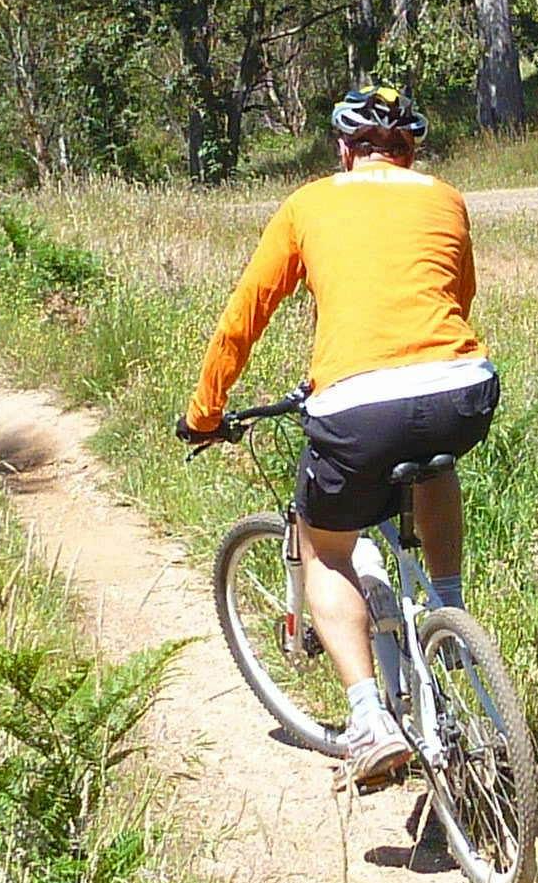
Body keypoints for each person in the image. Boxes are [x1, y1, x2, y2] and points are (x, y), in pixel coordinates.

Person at [180, 85, 497, 786]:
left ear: (344, 150)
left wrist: (206, 410)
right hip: (464, 387)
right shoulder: (444, 197)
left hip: (357, 406)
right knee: (434, 462)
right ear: (409, 153)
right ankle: (448, 611)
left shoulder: (309, 203)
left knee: (326, 552)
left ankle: (366, 718)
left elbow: (247, 313)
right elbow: (455, 297)